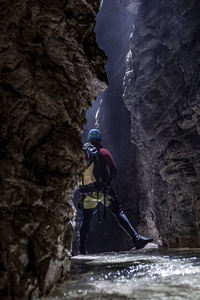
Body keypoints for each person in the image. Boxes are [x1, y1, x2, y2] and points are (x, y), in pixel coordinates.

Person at [78, 129, 153, 254]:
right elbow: (113, 170)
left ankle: (81, 248)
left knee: (85, 220)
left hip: (86, 193)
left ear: (89, 139)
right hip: (103, 191)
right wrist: (107, 185)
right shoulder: (103, 152)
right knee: (118, 212)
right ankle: (136, 239)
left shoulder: (82, 153)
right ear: (100, 139)